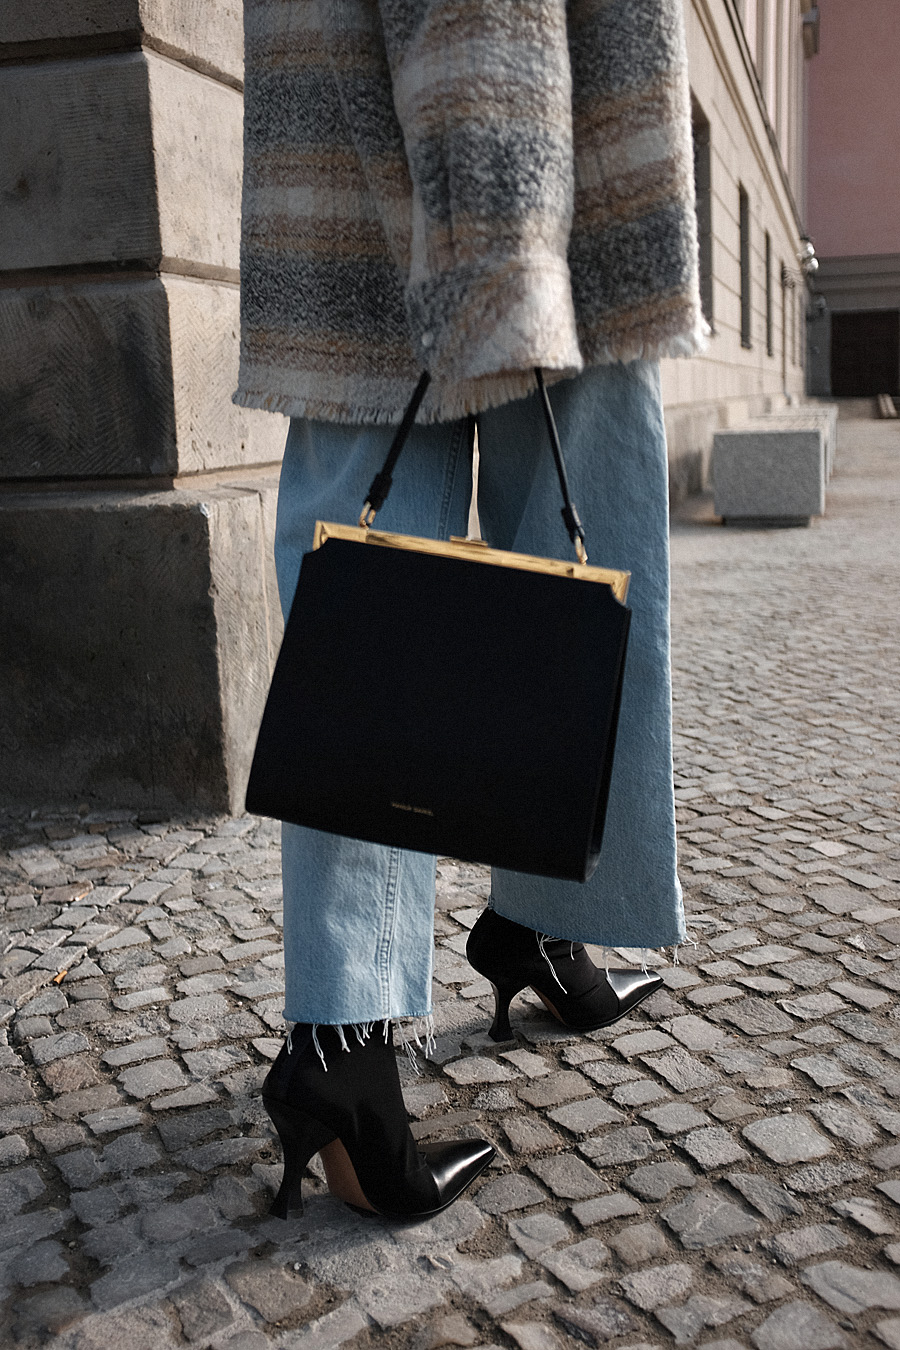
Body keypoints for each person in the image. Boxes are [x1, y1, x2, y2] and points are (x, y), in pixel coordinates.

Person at [234, 0, 706, 1220]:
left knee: (367, 548)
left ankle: (534, 925)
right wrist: (492, 213)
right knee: (423, 560)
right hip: (515, 137)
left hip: (394, 115)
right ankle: (343, 1057)